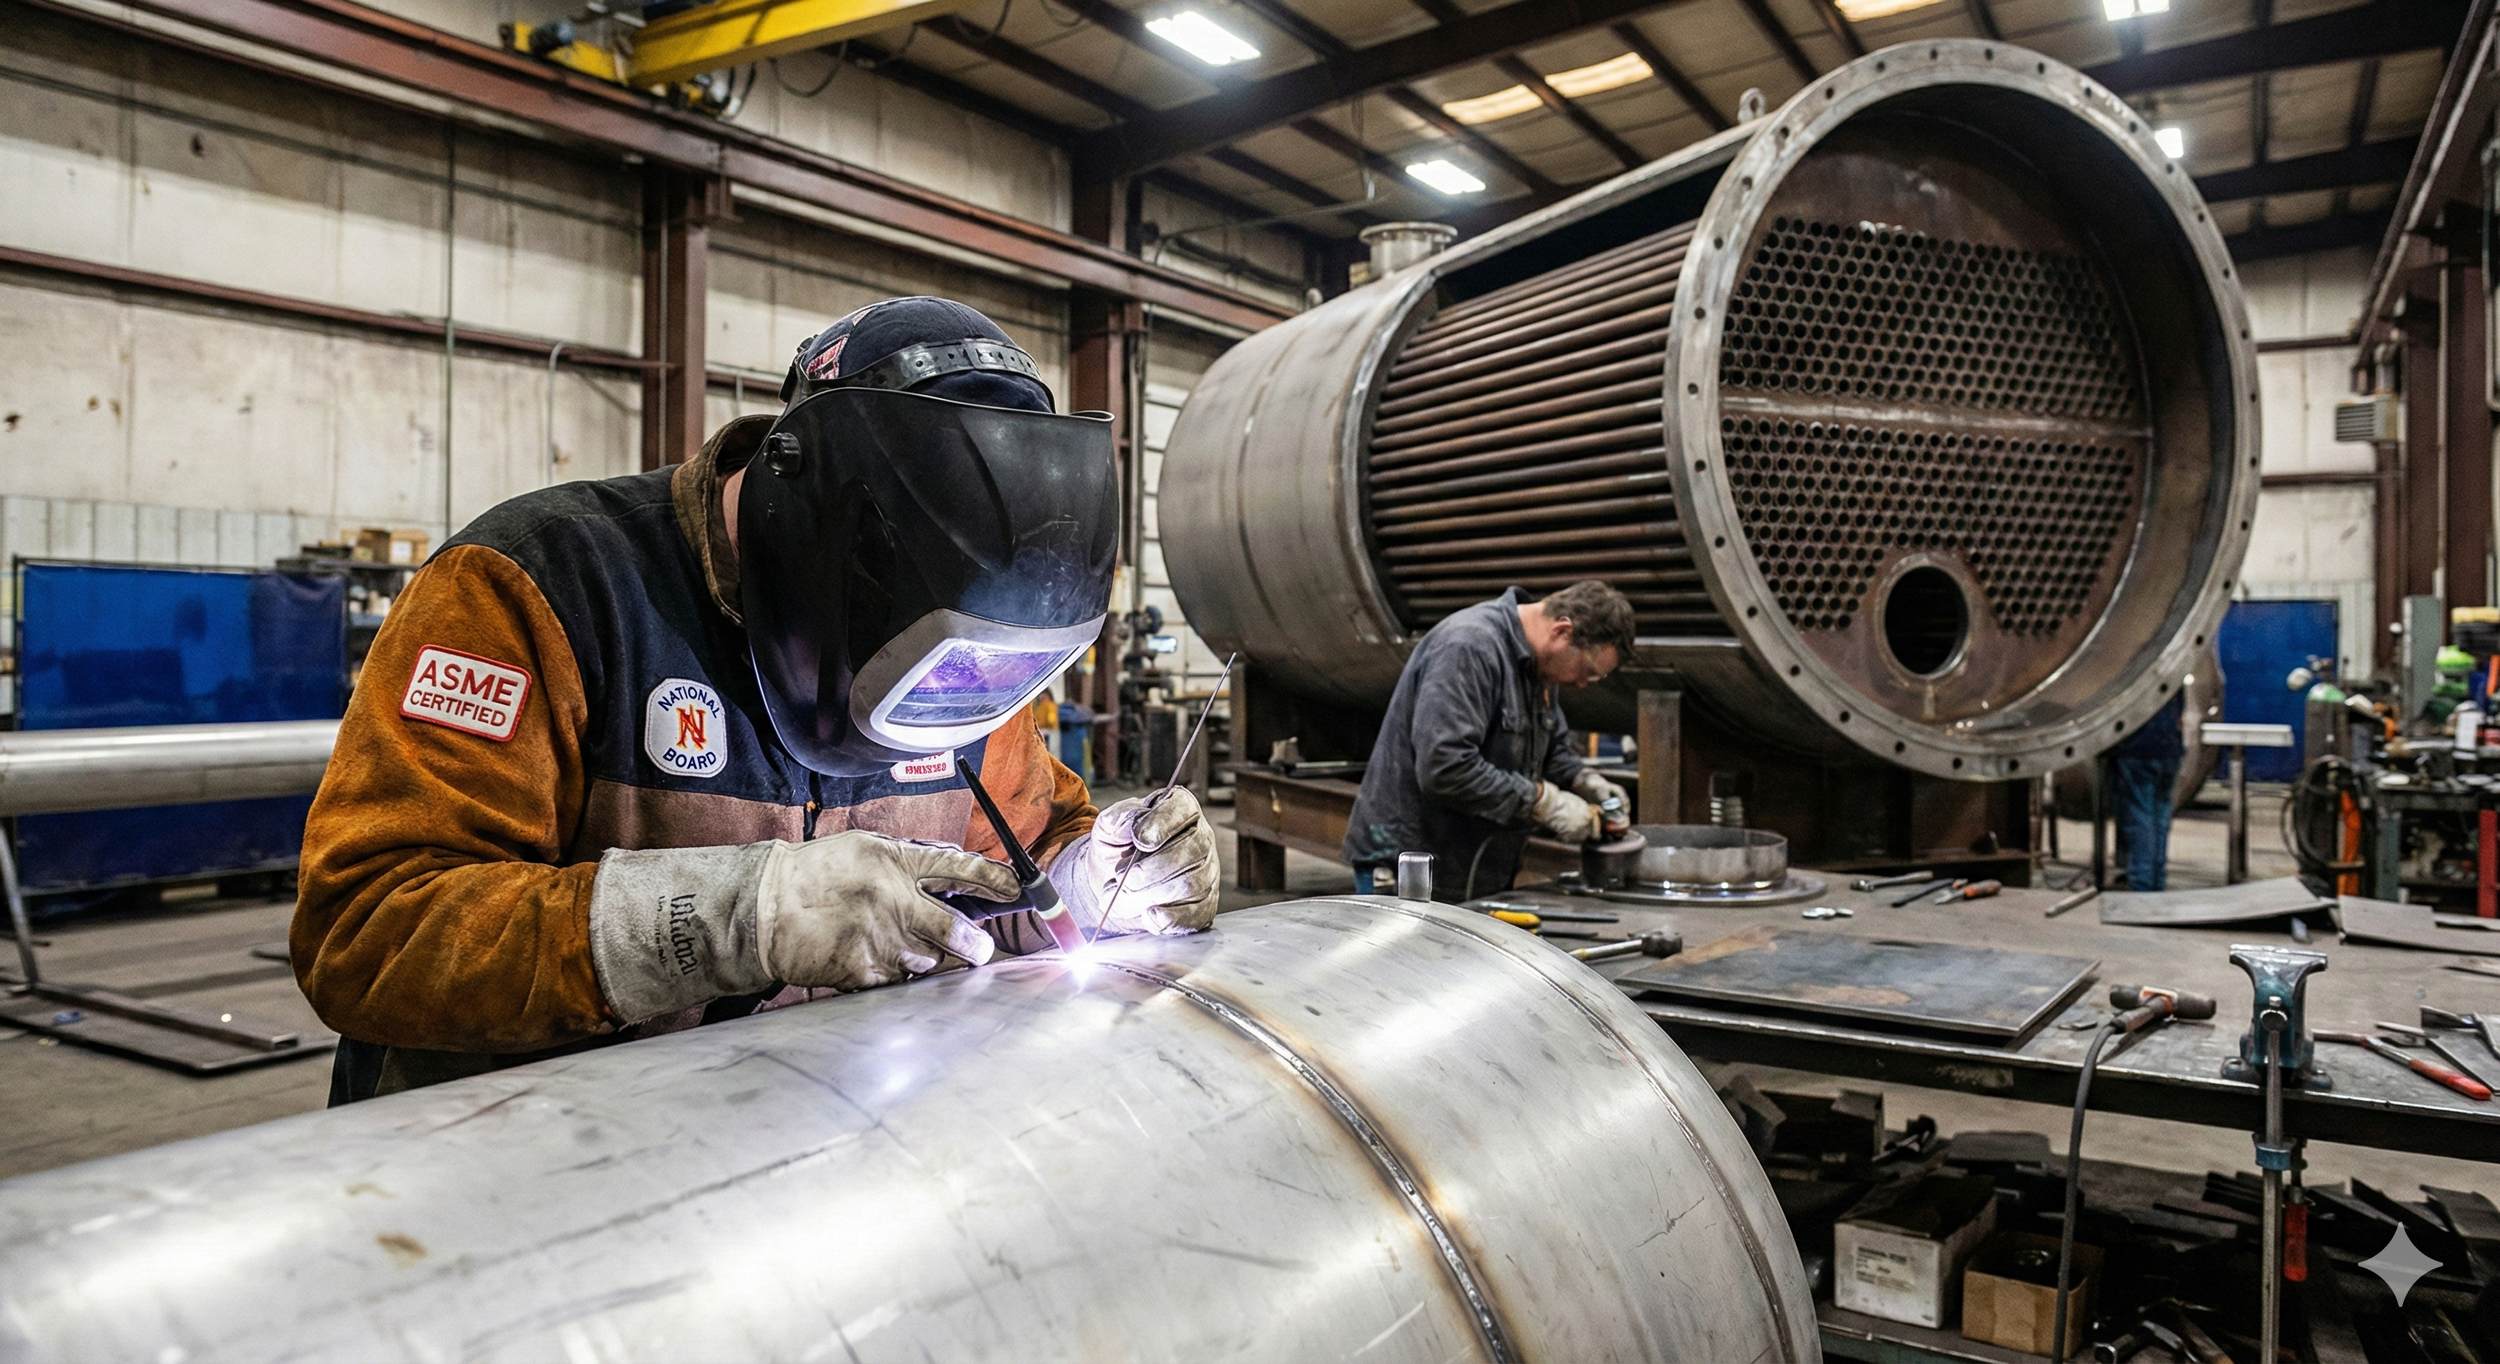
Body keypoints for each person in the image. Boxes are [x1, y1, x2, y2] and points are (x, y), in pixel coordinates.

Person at [293, 297, 1222, 1101]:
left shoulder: (963, 633)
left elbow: (1017, 868)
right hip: (510, 1193)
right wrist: (730, 915)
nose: (958, 691)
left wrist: (1093, 882)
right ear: (812, 521)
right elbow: (368, 931)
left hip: (785, 1177)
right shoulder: (538, 586)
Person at [1342, 581, 1637, 902]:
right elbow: (1445, 768)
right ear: (1562, 632)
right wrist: (1543, 802)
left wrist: (1583, 780)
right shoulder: (1468, 647)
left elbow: (1552, 749)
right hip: (1413, 869)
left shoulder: (1541, 666)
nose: (1582, 683)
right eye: (1587, 670)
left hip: (1473, 864)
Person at [2105, 691, 2185, 890]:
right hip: (2170, 747)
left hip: (2137, 746)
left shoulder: (2131, 663)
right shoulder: (2169, 662)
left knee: (2140, 817)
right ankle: (2157, 881)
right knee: (2160, 817)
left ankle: (2142, 885)